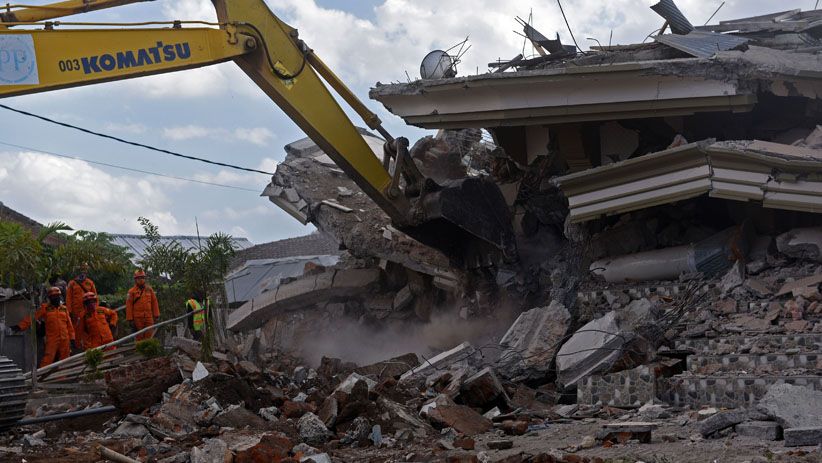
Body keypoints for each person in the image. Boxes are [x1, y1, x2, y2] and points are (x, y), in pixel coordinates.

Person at [13, 287, 76, 367]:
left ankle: (62, 378)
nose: (55, 298)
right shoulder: (45, 308)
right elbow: (33, 317)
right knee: (48, 359)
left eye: (57, 296)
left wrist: (72, 338)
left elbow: (69, 325)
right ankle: (41, 377)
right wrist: (20, 326)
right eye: (53, 296)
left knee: (65, 359)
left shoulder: (64, 309)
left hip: (65, 338)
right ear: (49, 298)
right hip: (52, 339)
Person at [66, 263, 97, 346]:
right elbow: (68, 298)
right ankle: (77, 346)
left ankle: (90, 346)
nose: (83, 272)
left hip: (88, 310)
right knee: (77, 329)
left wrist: (95, 309)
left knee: (89, 328)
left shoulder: (90, 283)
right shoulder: (72, 283)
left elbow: (95, 297)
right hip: (76, 311)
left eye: (84, 270)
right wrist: (69, 311)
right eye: (81, 270)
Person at [126, 269, 160, 341]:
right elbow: (129, 305)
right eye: (139, 278)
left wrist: (156, 315)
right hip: (137, 318)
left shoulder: (149, 290)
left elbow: (154, 302)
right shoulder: (131, 291)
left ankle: (148, 351)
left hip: (149, 317)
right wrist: (130, 319)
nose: (141, 280)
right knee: (139, 337)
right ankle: (139, 351)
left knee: (149, 336)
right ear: (135, 280)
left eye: (142, 278)